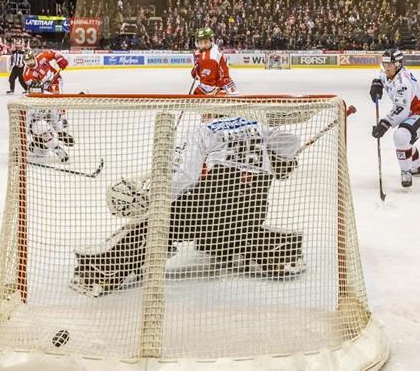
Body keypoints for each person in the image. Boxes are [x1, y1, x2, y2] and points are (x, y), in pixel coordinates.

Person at [71, 114, 304, 297]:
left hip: (210, 212)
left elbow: (184, 176)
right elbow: (291, 142)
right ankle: (280, 248)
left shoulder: (204, 131)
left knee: (157, 222)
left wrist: (155, 203)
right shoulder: (258, 127)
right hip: (252, 212)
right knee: (225, 227)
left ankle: (104, 268)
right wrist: (282, 162)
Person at [370, 48, 420, 188]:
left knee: (401, 136)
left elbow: (402, 110)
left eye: (390, 65)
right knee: (405, 139)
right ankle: (418, 166)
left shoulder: (403, 83)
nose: (386, 68)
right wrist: (376, 83)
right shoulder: (390, 72)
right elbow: (381, 76)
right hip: (412, 112)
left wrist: (385, 123)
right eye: (385, 64)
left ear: (398, 64)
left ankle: (405, 172)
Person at [22, 49, 73, 162]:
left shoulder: (42, 56)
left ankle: (39, 145)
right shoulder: (27, 75)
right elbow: (35, 90)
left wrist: (60, 59)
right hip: (38, 114)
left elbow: (56, 53)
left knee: (56, 102)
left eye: (31, 60)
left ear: (34, 57)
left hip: (54, 81)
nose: (30, 63)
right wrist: (20, 144)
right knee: (40, 127)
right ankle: (39, 146)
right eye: (27, 62)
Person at [190, 27, 238, 95]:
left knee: (197, 95)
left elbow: (209, 83)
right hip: (225, 82)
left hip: (220, 86)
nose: (203, 45)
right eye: (200, 43)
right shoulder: (210, 49)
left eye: (206, 42)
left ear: (211, 41)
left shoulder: (210, 57)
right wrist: (196, 70)